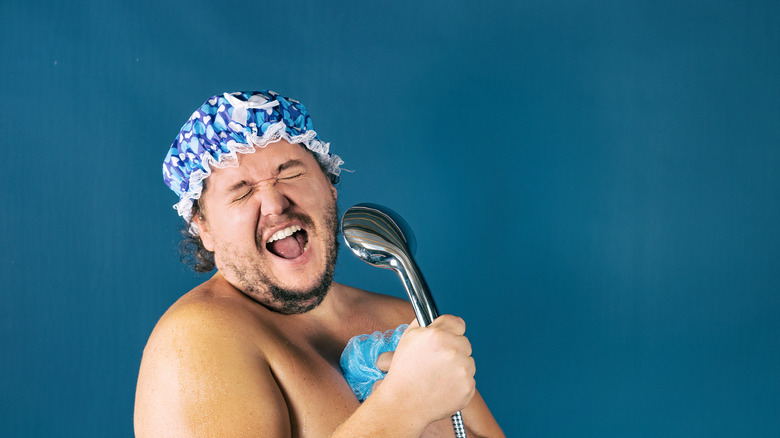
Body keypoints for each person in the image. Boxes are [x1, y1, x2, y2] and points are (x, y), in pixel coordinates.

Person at [134, 91, 504, 437]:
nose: (276, 204)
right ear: (204, 229)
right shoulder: (194, 341)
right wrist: (403, 408)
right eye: (242, 190)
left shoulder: (400, 318)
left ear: (330, 186)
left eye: (290, 173)